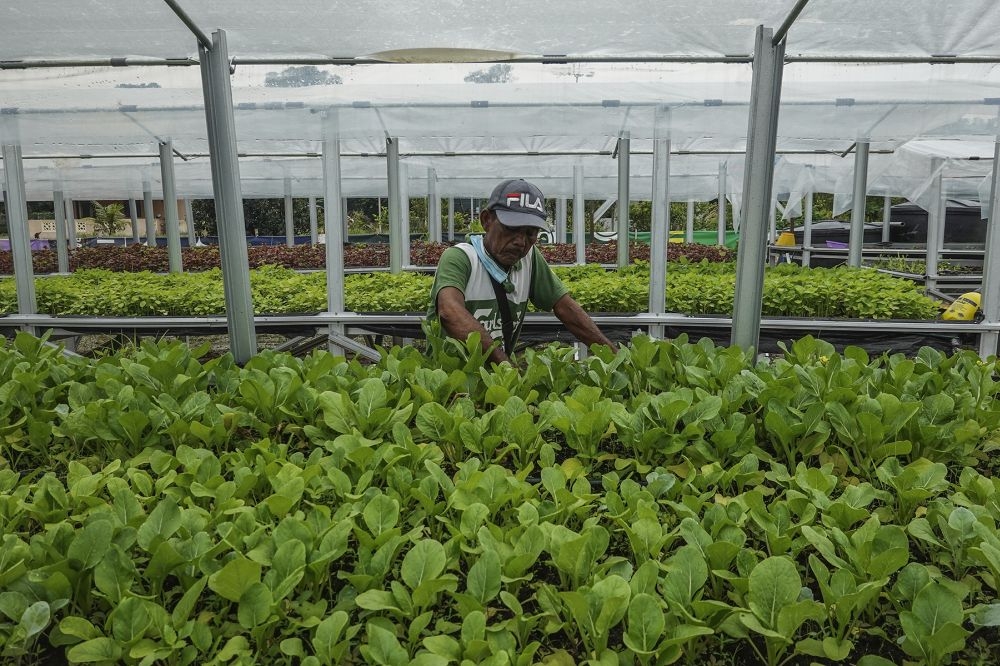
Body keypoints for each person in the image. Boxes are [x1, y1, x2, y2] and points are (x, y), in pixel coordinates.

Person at [429, 178, 619, 365]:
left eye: (530, 233)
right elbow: (449, 312)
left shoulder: (529, 258)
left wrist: (616, 358)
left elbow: (565, 308)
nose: (520, 241)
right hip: (449, 383)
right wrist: (504, 366)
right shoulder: (460, 258)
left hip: (497, 380)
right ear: (486, 220)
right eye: (511, 228)